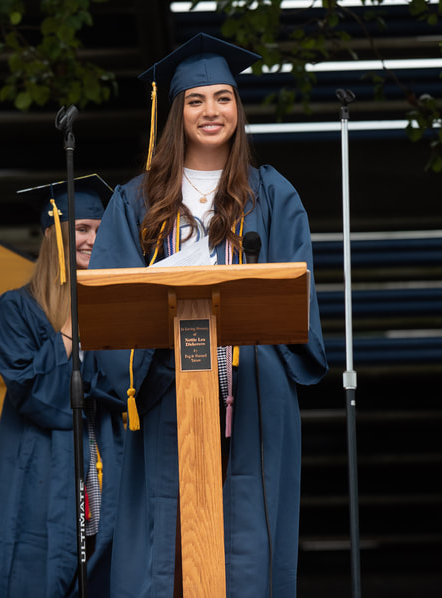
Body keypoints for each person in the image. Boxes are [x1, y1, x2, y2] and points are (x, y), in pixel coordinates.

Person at [88, 33, 328, 597]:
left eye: (223, 97)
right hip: (167, 383)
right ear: (177, 114)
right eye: (196, 100)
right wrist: (151, 366)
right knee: (166, 536)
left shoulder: (271, 193)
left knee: (251, 530)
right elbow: (110, 292)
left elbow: (298, 292)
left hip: (254, 384)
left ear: (239, 109)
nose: (211, 111)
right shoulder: (137, 200)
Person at [0, 174, 123, 598]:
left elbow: (126, 388)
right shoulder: (17, 309)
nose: (91, 240)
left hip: (104, 465)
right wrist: (71, 328)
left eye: (100, 232)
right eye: (81, 229)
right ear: (55, 237)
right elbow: (31, 391)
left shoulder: (120, 308)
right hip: (43, 473)